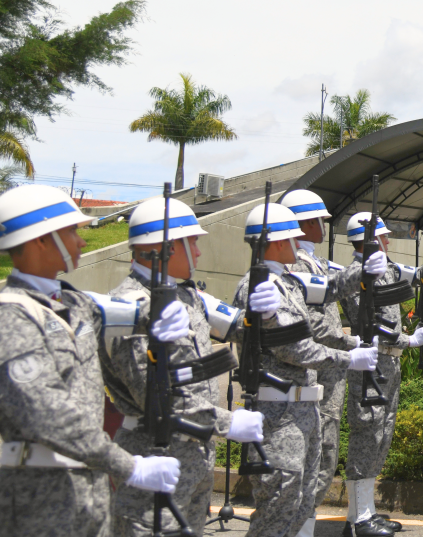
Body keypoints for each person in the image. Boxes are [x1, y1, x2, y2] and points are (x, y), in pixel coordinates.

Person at [0, 185, 181, 537]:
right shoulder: (12, 319)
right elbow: (47, 416)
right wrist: (128, 466)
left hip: (88, 490)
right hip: (38, 498)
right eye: (72, 232)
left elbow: (125, 312)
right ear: (41, 239)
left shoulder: (73, 302)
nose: (81, 242)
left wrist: (161, 312)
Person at [104, 196, 267, 537]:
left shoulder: (189, 296)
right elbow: (154, 394)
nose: (197, 252)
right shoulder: (129, 309)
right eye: (190, 242)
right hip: (154, 451)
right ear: (162, 247)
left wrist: (261, 312)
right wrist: (228, 422)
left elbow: (239, 328)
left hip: (197, 454)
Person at [232, 202, 381, 537]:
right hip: (278, 412)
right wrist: (346, 358)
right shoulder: (260, 288)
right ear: (273, 242)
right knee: (277, 507)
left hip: (302, 409)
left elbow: (328, 289)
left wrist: (363, 270)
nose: (296, 241)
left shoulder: (286, 282)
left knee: (300, 501)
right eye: (289, 237)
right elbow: (292, 348)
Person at [278, 190, 370, 534]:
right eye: (318, 220)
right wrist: (348, 345)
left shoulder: (314, 261)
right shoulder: (297, 266)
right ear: (301, 224)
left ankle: (303, 525)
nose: (322, 227)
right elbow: (312, 325)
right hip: (318, 370)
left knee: (325, 451)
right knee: (316, 455)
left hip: (329, 371)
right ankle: (300, 527)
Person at [339, 212, 423, 537]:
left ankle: (367, 512)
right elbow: (372, 326)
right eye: (382, 236)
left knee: (383, 436)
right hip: (371, 364)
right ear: (368, 241)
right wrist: (410, 340)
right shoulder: (355, 276)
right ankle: (357, 520)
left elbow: (411, 276)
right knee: (367, 436)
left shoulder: (388, 268)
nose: (388, 240)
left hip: (390, 366)